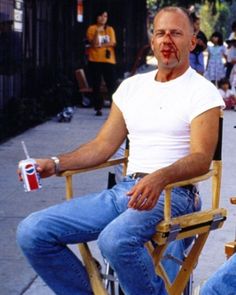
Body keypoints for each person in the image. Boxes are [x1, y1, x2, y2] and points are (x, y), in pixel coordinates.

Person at [16, 7, 224, 295]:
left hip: (175, 194)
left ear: (192, 41)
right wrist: (54, 163)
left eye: (176, 33)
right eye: (161, 33)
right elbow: (102, 146)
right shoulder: (131, 88)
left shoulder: (202, 91)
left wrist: (159, 178)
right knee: (32, 231)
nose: (167, 40)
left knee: (115, 239)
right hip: (126, 191)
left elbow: (202, 158)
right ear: (151, 41)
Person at [86, 10, 117, 116]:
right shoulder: (91, 28)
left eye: (106, 16)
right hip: (95, 59)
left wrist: (101, 45)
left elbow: (112, 43)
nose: (104, 18)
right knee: (96, 84)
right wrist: (97, 32)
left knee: (111, 84)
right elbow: (94, 43)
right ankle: (98, 107)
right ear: (97, 17)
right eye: (101, 16)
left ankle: (114, 107)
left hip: (109, 60)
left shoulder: (110, 29)